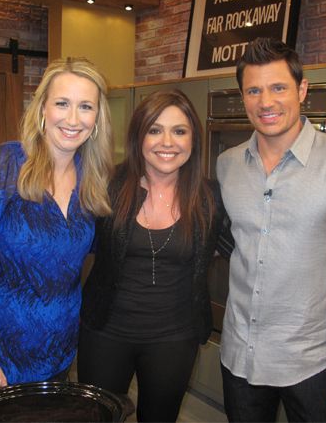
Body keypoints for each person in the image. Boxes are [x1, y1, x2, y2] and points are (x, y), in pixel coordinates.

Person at [217, 37, 326, 422]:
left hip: (317, 363)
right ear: (243, 97)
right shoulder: (228, 165)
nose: (266, 102)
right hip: (240, 356)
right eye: (254, 91)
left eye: (279, 87)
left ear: (301, 90)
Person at [0, 57, 113, 396]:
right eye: (62, 103)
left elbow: (89, 255)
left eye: (86, 107)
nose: (73, 119)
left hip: (58, 353)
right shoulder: (3, 166)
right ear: (43, 108)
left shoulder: (91, 179)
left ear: (97, 118)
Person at [78, 89, 232, 422]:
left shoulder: (211, 198)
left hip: (174, 338)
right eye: (155, 130)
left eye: (179, 131)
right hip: (105, 332)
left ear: (193, 139)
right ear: (139, 137)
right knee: (97, 417)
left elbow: (242, 248)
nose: (167, 142)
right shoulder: (108, 186)